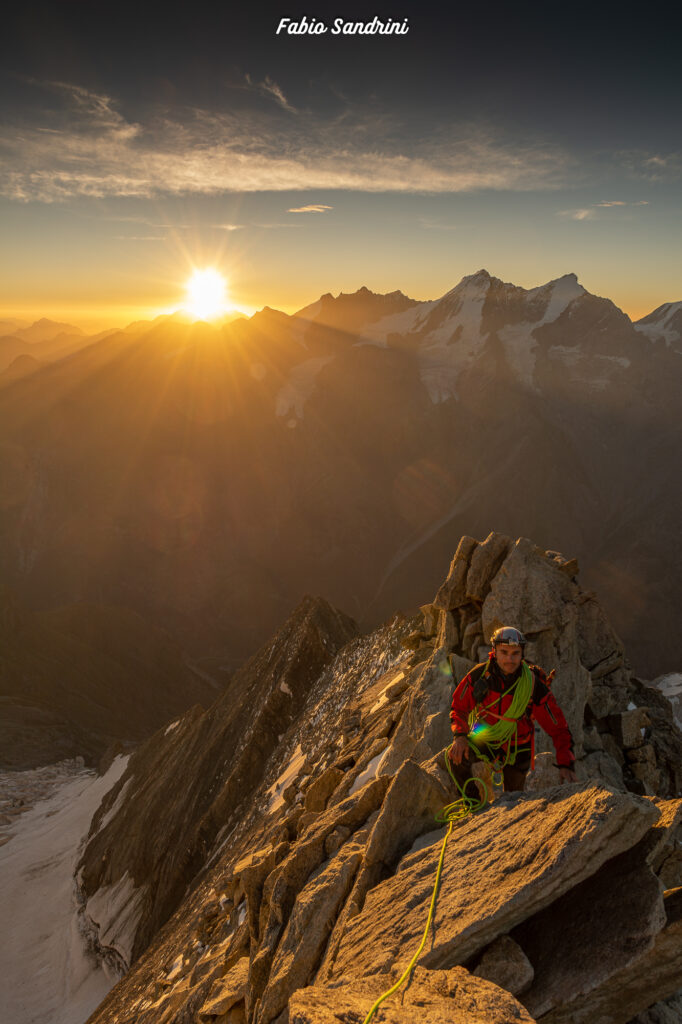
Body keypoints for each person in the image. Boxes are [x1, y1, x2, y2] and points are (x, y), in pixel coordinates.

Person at [449, 626, 577, 793]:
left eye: (515, 653)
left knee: (513, 796)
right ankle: (472, 805)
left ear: (522, 654)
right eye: (504, 652)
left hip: (518, 745)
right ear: (494, 652)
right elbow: (459, 707)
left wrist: (565, 763)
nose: (510, 659)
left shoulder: (532, 684)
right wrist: (460, 736)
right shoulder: (480, 676)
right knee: (456, 758)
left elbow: (558, 727)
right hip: (485, 735)